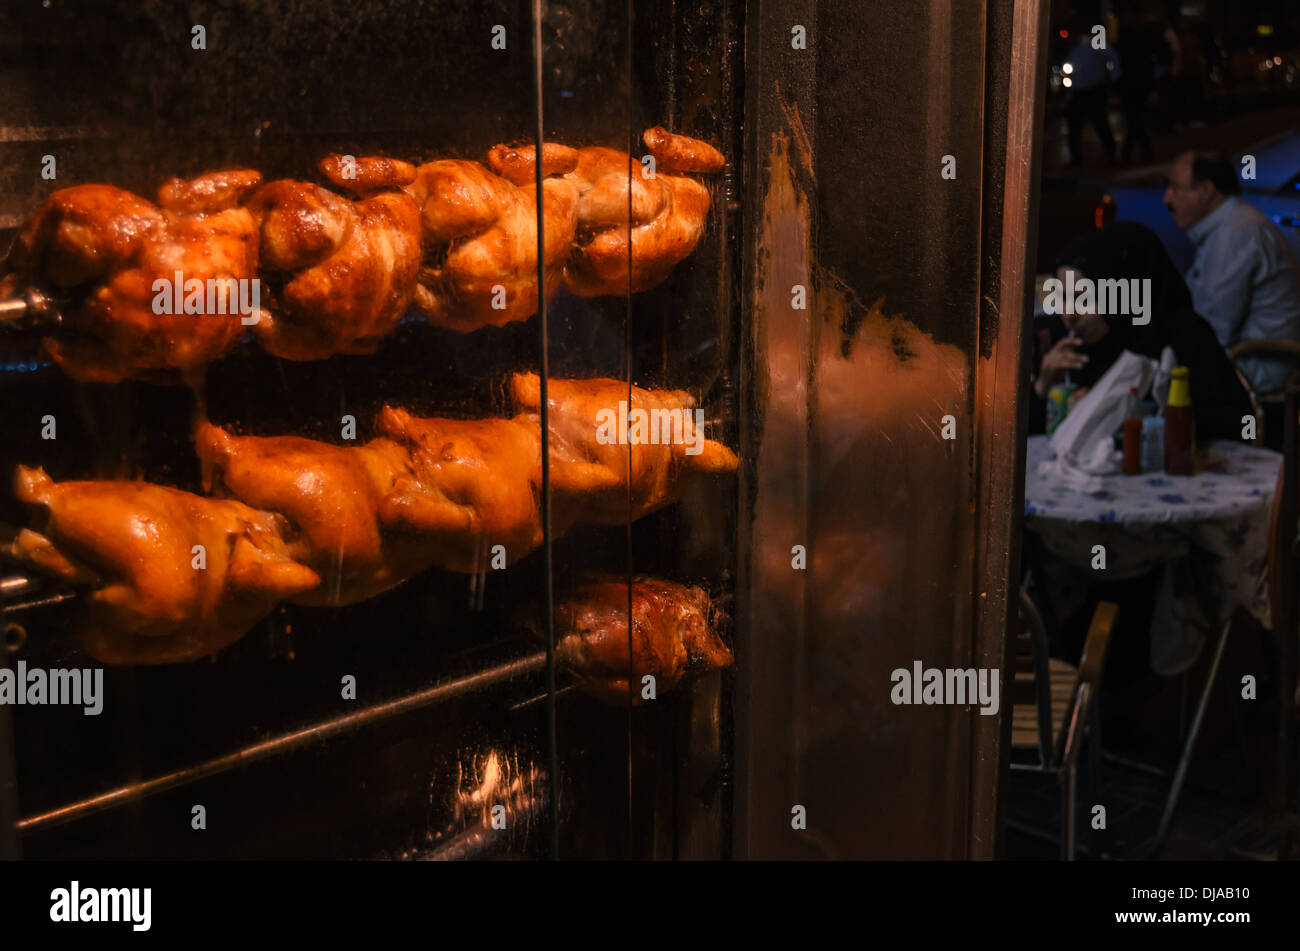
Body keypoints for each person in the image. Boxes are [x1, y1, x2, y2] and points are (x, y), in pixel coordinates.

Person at [1031, 220, 1254, 442]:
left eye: (1085, 299)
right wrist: (1042, 386)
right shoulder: (1071, 349)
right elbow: (1030, 438)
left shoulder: (1184, 337)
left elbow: (1243, 425)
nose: (1069, 314)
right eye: (1063, 297)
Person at [1164, 150, 1300, 435]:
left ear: (1205, 191)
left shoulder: (1235, 234)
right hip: (1252, 364)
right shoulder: (1231, 228)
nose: (1167, 198)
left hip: (1256, 374)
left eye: (1176, 188)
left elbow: (1212, 327)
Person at [1064, 25, 1119, 167]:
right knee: (1075, 127)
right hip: (1079, 91)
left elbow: (1112, 56)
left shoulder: (1094, 43)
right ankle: (1076, 159)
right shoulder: (1074, 48)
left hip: (1093, 90)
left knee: (1100, 123)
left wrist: (1113, 77)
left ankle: (1112, 155)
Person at [1116, 2, 1156, 163]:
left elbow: (1145, 62)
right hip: (1132, 83)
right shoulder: (1128, 34)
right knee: (1134, 120)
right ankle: (1140, 152)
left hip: (1137, 83)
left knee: (1134, 120)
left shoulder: (1137, 35)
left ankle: (1129, 154)